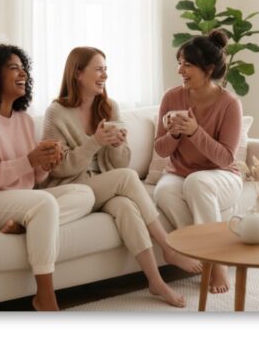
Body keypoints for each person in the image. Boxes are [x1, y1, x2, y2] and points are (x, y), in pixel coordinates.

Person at [40, 46, 202, 308]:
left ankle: (156, 282)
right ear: (78, 73)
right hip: (74, 188)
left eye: (106, 69)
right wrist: (95, 141)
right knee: (127, 177)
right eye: (98, 69)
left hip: (105, 187)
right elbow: (58, 168)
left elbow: (120, 163)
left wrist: (117, 145)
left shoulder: (109, 107)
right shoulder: (56, 112)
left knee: (126, 207)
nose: (105, 75)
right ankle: (169, 248)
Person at [0, 45, 95, 311]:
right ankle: (45, 296)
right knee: (44, 204)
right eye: (13, 68)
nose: (23, 74)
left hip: (20, 200)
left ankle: (24, 225)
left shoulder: (24, 120)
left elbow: (35, 179)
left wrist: (46, 162)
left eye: (23, 68)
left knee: (84, 194)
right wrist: (29, 160)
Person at [153, 30, 244, 294]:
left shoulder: (229, 104)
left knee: (197, 182)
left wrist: (195, 132)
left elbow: (226, 157)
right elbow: (160, 150)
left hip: (222, 176)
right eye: (179, 63)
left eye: (187, 65)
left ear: (209, 69)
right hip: (179, 173)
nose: (180, 70)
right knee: (164, 191)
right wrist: (175, 134)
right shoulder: (171, 98)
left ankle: (217, 263)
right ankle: (201, 254)